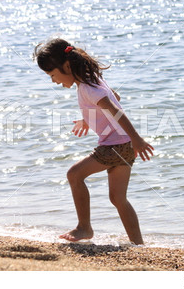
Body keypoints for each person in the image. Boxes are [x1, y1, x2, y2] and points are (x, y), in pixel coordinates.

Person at [34, 38, 154, 245]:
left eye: (53, 75)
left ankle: (84, 227)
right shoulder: (93, 81)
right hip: (123, 145)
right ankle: (138, 244)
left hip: (116, 146)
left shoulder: (88, 88)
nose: (53, 81)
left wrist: (137, 139)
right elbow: (115, 96)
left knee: (74, 174)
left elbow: (114, 109)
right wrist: (88, 118)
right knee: (118, 198)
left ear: (67, 66)